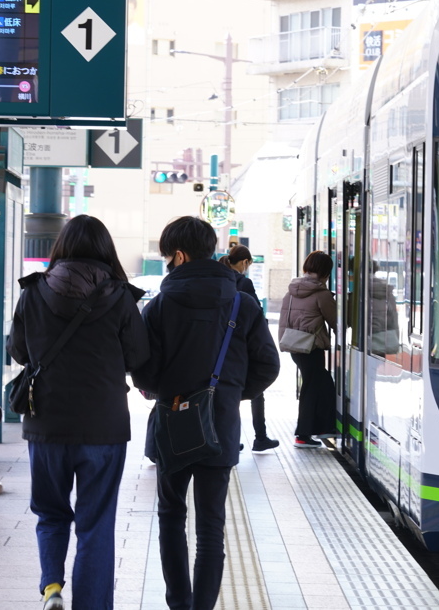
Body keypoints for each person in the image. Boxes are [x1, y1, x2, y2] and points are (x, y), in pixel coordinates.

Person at [131, 216, 279, 610]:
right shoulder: (242, 302)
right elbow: (268, 366)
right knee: (212, 526)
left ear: (178, 255)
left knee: (170, 516)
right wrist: (228, 393)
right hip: (221, 425)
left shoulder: (159, 306)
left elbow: (144, 370)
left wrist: (163, 391)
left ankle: (178, 603)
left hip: (172, 423)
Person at [6, 215, 149, 610]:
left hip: (46, 422)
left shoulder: (32, 292)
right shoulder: (121, 297)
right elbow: (139, 355)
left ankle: (52, 586)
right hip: (103, 425)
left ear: (61, 247)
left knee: (50, 512)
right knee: (95, 524)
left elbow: (19, 351)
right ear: (106, 249)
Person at [218, 245, 279, 452]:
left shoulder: (220, 280)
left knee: (225, 394)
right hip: (243, 347)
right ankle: (260, 437)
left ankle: (230, 439)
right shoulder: (244, 283)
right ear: (245, 263)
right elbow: (256, 313)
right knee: (255, 392)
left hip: (220, 346)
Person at [279, 250, 337, 448]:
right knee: (314, 387)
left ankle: (321, 428)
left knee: (318, 384)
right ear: (325, 272)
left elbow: (283, 321)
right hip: (311, 346)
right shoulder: (321, 294)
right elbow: (336, 321)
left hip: (296, 346)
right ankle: (304, 434)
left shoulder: (292, 290)